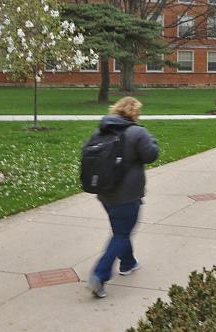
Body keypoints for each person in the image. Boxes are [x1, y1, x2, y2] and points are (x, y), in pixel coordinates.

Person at [87, 96, 159, 299]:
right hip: (127, 194)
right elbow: (151, 155)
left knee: (120, 230)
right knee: (121, 233)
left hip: (105, 192)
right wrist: (152, 141)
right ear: (135, 112)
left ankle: (128, 263)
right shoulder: (137, 132)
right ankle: (99, 275)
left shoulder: (101, 130)